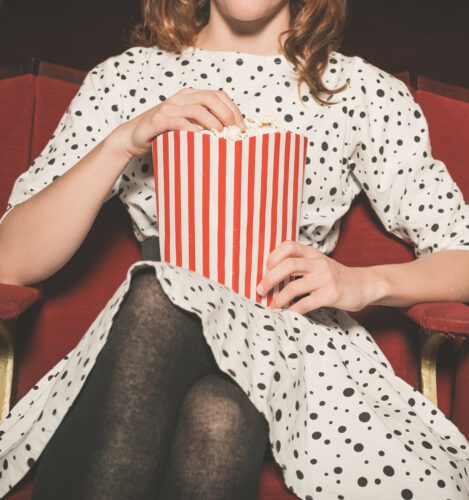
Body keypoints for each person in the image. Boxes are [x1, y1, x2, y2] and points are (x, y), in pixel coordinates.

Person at [0, 0, 469, 499]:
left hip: (289, 337)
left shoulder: (362, 93)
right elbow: (11, 258)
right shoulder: (126, 78)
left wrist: (362, 282)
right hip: (152, 330)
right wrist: (126, 140)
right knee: (216, 408)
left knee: (168, 310)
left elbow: (460, 251)